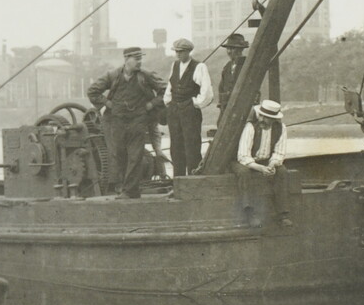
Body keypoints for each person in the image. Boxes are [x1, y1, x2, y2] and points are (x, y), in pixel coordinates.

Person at [87, 45, 166, 198]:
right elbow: (92, 91)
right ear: (126, 60)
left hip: (138, 120)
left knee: (135, 156)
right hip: (117, 122)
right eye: (136, 59)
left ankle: (130, 191)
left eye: (140, 58)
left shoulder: (145, 76)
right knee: (120, 155)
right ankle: (126, 188)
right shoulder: (113, 75)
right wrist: (107, 103)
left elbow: (165, 89)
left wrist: (151, 104)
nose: (139, 62)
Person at [163, 38, 215, 177]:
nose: (178, 54)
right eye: (176, 52)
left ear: (188, 52)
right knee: (176, 146)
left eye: (181, 52)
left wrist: (195, 103)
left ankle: (193, 179)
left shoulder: (199, 67)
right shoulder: (174, 65)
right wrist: (169, 103)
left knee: (192, 146)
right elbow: (170, 88)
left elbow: (207, 93)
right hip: (174, 112)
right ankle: (178, 179)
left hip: (190, 112)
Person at [238, 98, 291, 220]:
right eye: (260, 115)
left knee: (282, 171)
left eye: (265, 117)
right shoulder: (250, 127)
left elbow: (279, 152)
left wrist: (272, 164)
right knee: (243, 173)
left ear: (273, 119)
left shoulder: (281, 128)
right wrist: (261, 168)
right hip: (246, 161)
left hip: (265, 160)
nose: (261, 119)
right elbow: (243, 155)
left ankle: (283, 214)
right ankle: (249, 213)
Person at [216, 33, 251, 112]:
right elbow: (221, 88)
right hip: (226, 109)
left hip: (241, 108)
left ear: (240, 49)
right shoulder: (227, 67)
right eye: (228, 48)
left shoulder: (247, 65)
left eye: (232, 49)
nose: (229, 51)